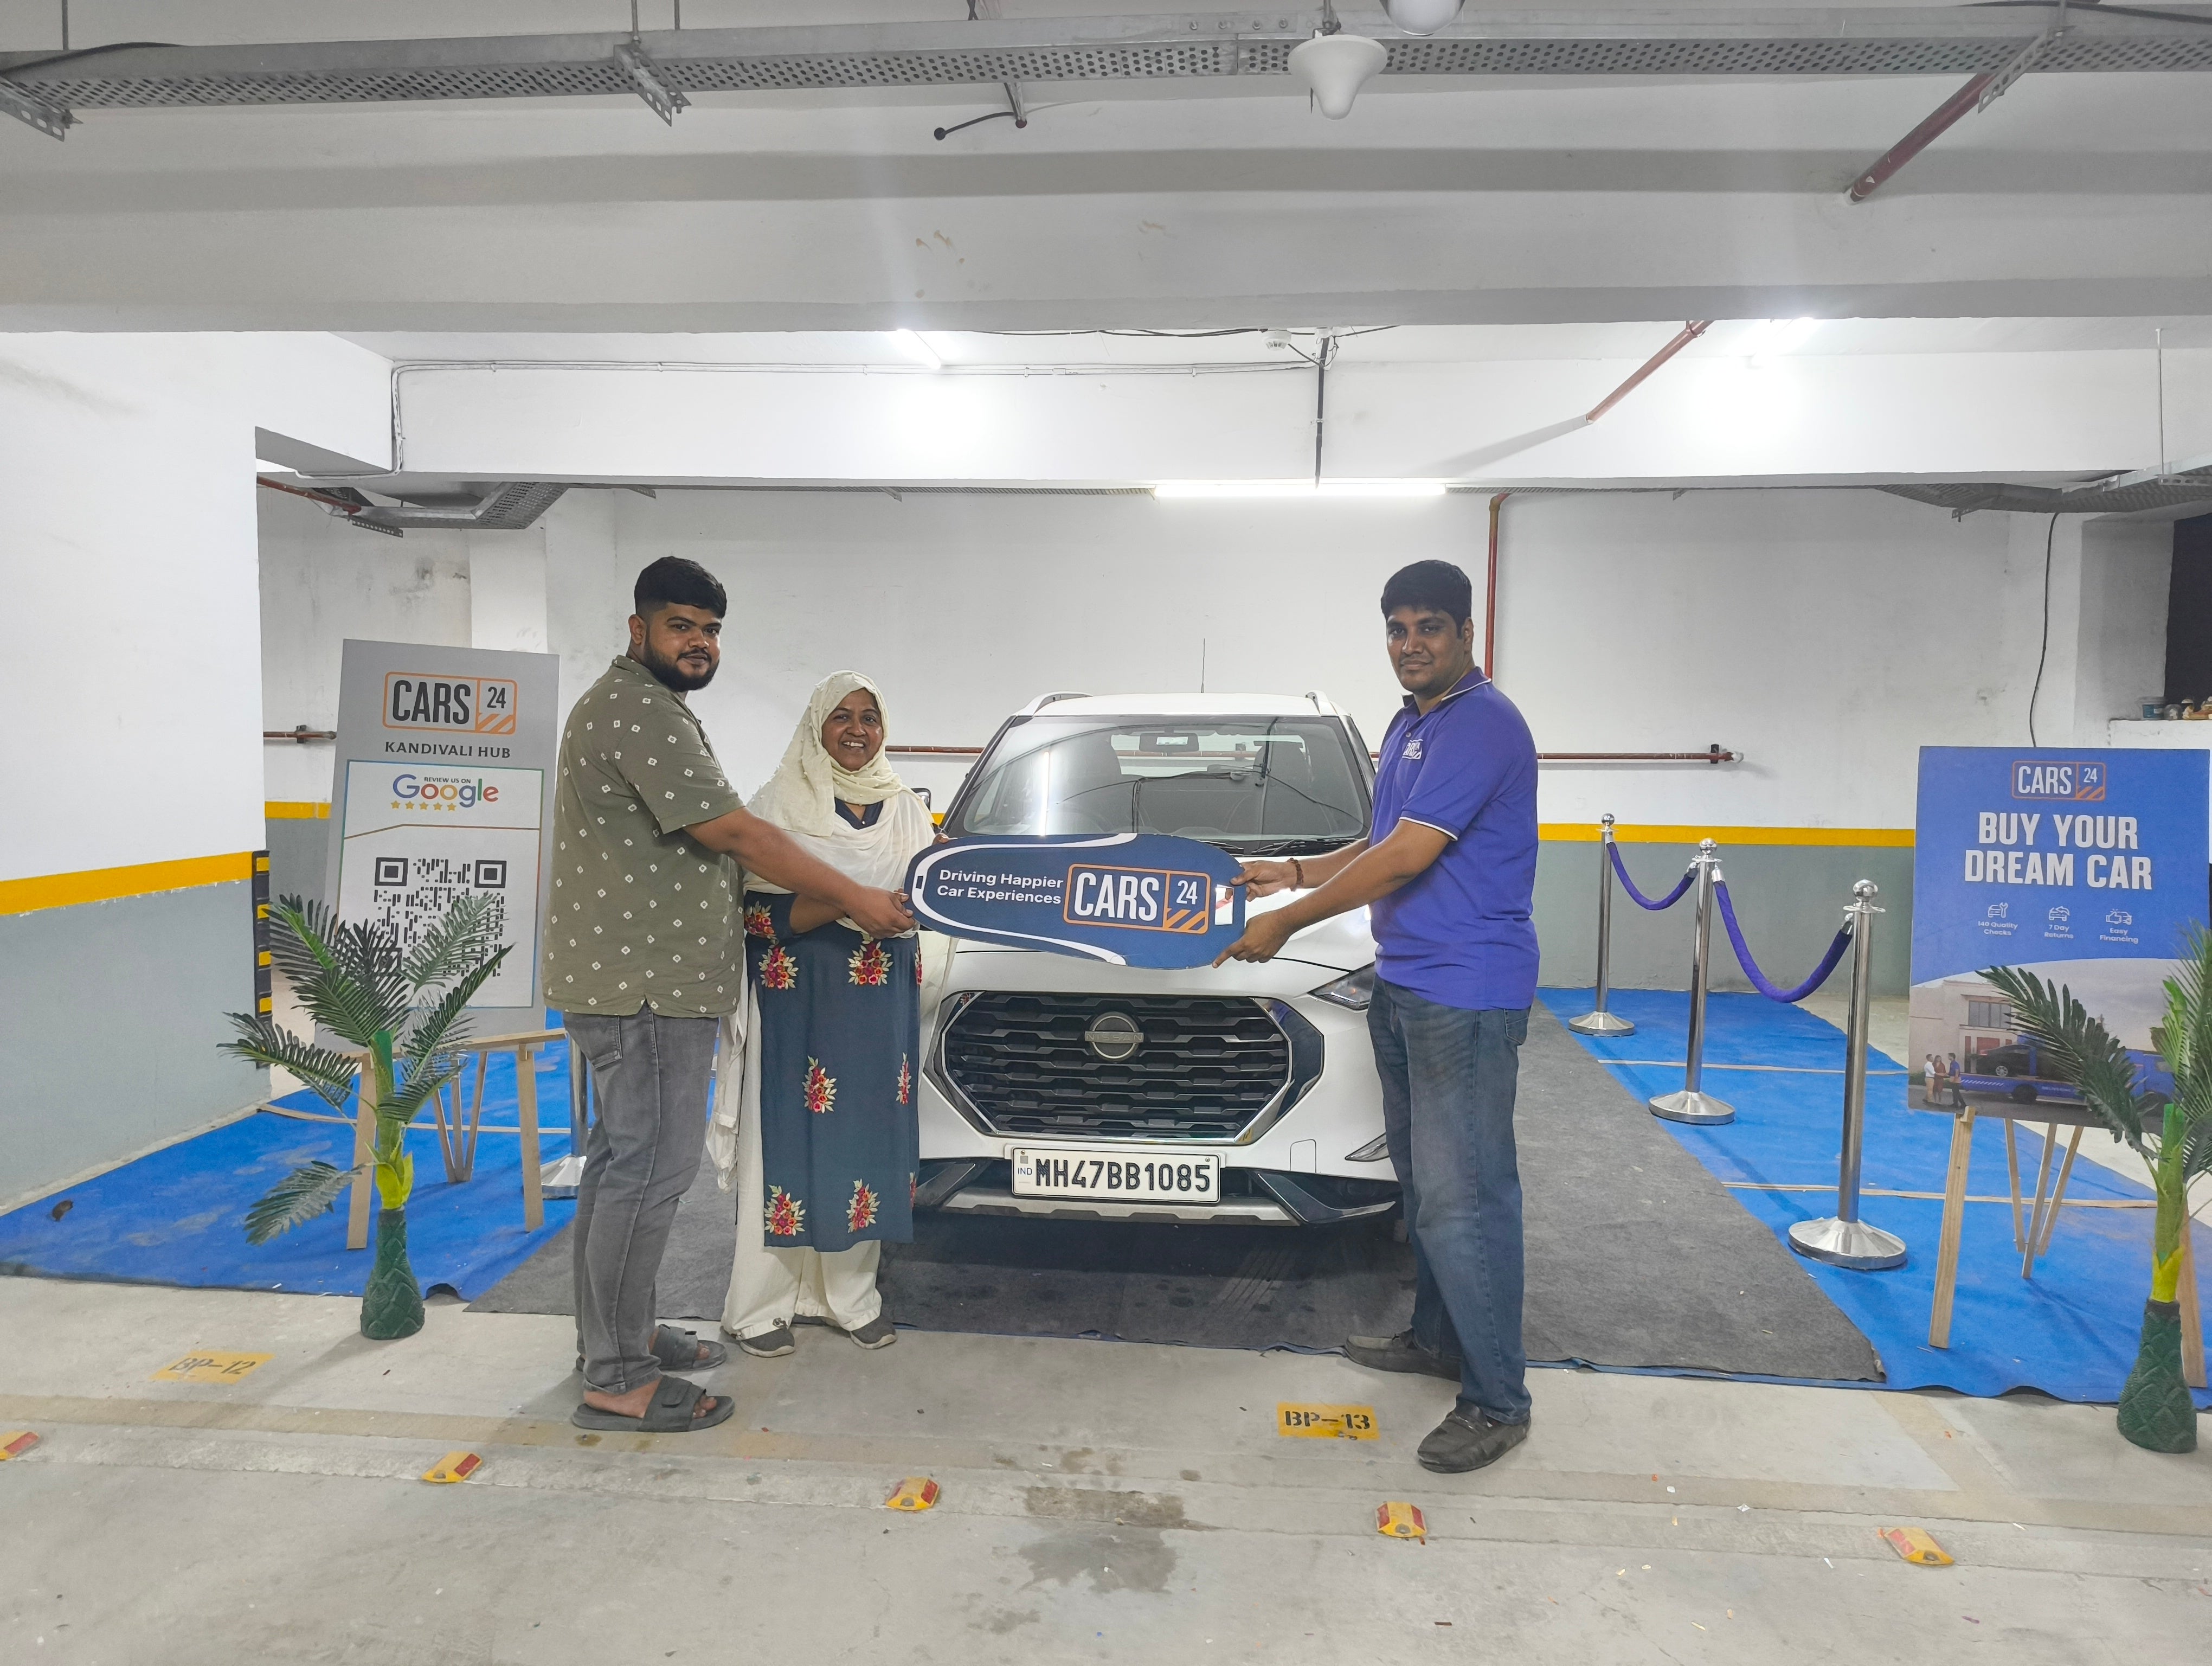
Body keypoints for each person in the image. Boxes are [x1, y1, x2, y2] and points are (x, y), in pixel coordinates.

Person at [549, 559, 912, 1433]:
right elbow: (734, 832)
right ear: (639, 629)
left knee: (619, 1167)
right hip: (645, 985)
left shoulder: (648, 706)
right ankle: (619, 1374)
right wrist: (860, 897)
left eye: (709, 629)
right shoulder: (638, 707)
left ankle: (616, 1336)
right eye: (681, 626)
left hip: (640, 978)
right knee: (646, 1173)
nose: (699, 643)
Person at [1214, 558, 1538, 1473]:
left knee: (1466, 1196)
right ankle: (1441, 1340)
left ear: (1467, 632)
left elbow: (1406, 859)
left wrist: (1284, 921)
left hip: (1466, 992)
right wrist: (1297, 869)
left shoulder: (1482, 724)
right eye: (1396, 629)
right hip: (1408, 981)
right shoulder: (1412, 725)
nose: (1409, 645)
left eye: (1428, 627)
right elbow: (1384, 837)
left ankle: (1498, 1396)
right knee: (1428, 1190)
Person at [710, 673, 937, 1357]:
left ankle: (847, 1296)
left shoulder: (905, 811)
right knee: (780, 1145)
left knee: (863, 1144)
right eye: (841, 716)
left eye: (870, 717)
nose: (857, 729)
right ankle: (762, 1305)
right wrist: (850, 900)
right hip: (797, 1001)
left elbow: (929, 899)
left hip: (876, 1005)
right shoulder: (775, 805)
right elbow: (750, 914)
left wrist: (888, 907)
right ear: (816, 727)